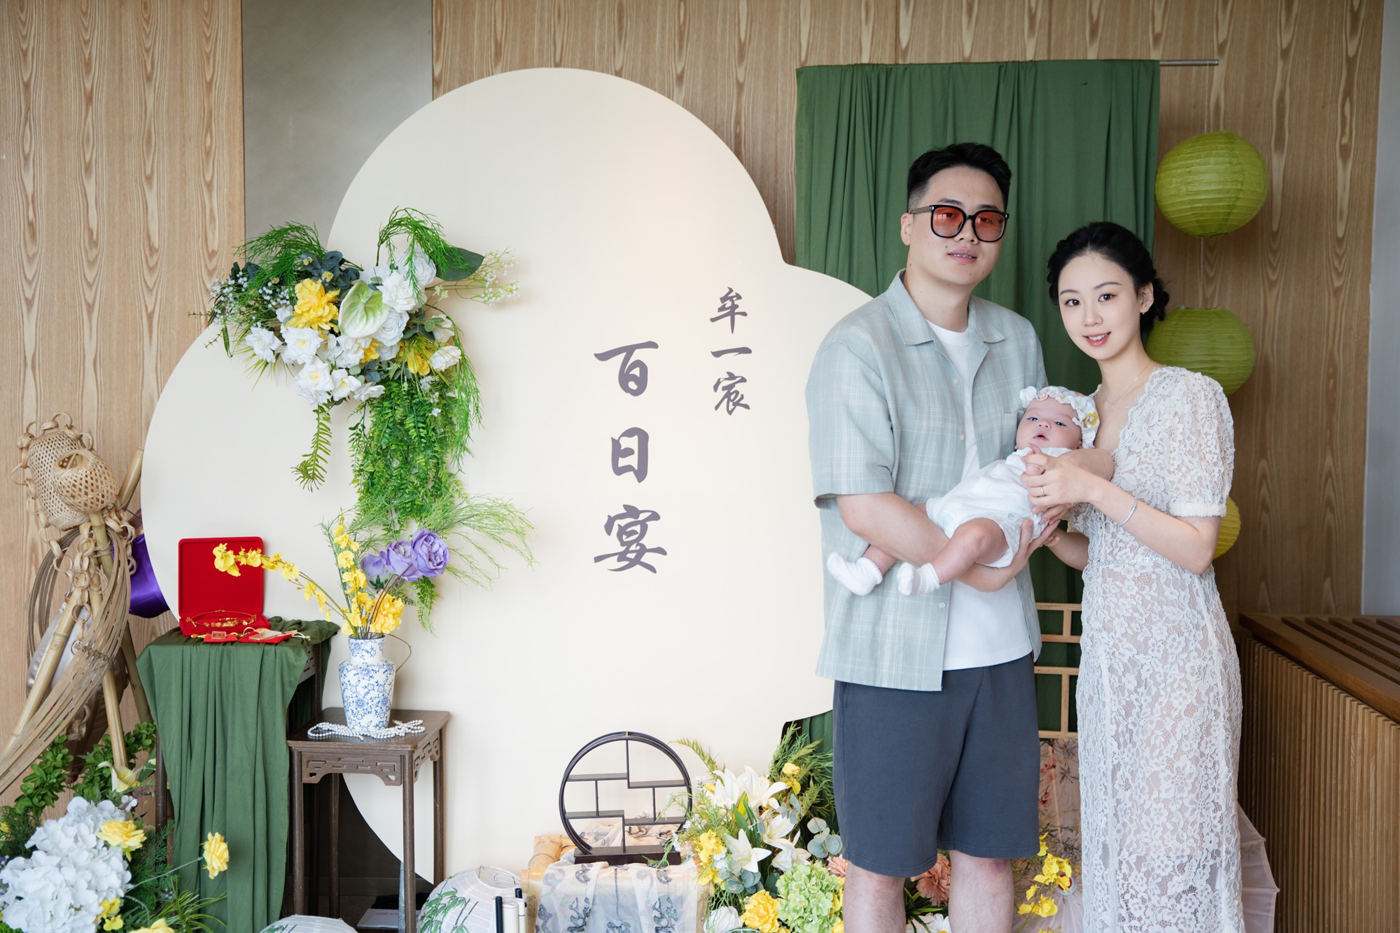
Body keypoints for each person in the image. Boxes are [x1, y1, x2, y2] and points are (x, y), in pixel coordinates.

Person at [805, 143, 1110, 933]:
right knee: (879, 862)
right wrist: (976, 568)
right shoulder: (857, 345)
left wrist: (1035, 535)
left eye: (986, 219)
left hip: (1002, 650)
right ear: (909, 225)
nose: (967, 232)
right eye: (947, 214)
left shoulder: (1018, 339)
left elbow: (1045, 472)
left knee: (989, 854)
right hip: (895, 649)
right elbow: (864, 506)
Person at [1023, 221, 1244, 931]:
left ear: (1144, 296)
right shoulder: (1083, 415)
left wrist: (1091, 489)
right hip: (1111, 666)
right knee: (1118, 861)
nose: (1089, 316)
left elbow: (1196, 548)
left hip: (1180, 664)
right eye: (1072, 301)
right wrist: (1053, 536)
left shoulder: (1190, 397)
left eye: (1107, 295)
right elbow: (1108, 554)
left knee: (1169, 863)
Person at [826, 386, 1098, 597]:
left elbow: (1054, 488)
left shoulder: (1063, 462)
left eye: (1060, 423)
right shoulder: (1015, 457)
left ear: (1079, 445)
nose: (1043, 424)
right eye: (1033, 417)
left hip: (1000, 526)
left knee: (974, 534)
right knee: (907, 517)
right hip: (958, 506)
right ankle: (869, 569)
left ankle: (929, 578)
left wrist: (1042, 467)